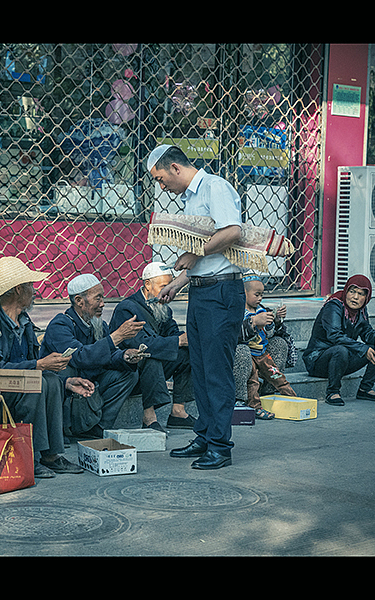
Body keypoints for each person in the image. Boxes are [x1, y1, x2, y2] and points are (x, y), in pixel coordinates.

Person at [148, 144, 244, 470]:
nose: (162, 186)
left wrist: (195, 252)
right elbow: (199, 259)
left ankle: (220, 446)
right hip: (201, 292)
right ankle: (204, 436)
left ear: (175, 167)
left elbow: (232, 231)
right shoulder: (189, 198)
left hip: (222, 292)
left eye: (161, 179)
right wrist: (178, 282)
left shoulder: (215, 187)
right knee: (200, 370)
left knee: (216, 372)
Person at [0, 256, 92, 477]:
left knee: (51, 380)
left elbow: (35, 367)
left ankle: (51, 456)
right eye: (30, 286)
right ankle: (29, 457)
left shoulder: (24, 322)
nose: (34, 291)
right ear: (18, 289)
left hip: (22, 388)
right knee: (37, 384)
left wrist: (66, 382)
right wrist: (38, 365)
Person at [41, 273, 144, 439]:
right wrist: (117, 337)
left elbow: (110, 355)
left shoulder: (99, 325)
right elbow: (80, 357)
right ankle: (62, 428)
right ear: (79, 301)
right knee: (65, 369)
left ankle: (98, 427)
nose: (102, 304)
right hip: (68, 386)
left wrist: (125, 356)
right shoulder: (60, 324)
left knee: (129, 374)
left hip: (90, 385)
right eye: (98, 298)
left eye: (102, 298)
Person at [109, 261, 195, 432]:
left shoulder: (163, 308)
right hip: (129, 371)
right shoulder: (127, 309)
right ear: (147, 284)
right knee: (148, 356)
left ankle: (178, 411)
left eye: (170, 286)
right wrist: (178, 341)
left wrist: (186, 339)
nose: (167, 292)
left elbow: (172, 333)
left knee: (188, 352)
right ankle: (149, 417)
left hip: (154, 371)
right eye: (163, 286)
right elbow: (140, 345)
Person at [302, 274, 375, 406]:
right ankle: (332, 392)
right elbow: (335, 336)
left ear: (366, 298)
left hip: (342, 361)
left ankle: (365, 389)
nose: (355, 297)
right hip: (318, 361)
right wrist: (363, 349)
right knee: (340, 350)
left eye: (360, 294)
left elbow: (367, 333)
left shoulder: (361, 311)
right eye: (352, 291)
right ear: (346, 291)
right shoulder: (334, 306)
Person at [236, 275, 297, 420]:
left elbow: (269, 333)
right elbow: (234, 334)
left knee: (277, 376)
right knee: (253, 381)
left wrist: (275, 319)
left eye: (262, 295)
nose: (260, 298)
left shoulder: (261, 309)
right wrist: (253, 322)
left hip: (262, 354)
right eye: (256, 294)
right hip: (247, 355)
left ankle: (292, 399)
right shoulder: (237, 312)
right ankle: (254, 407)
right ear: (244, 293)